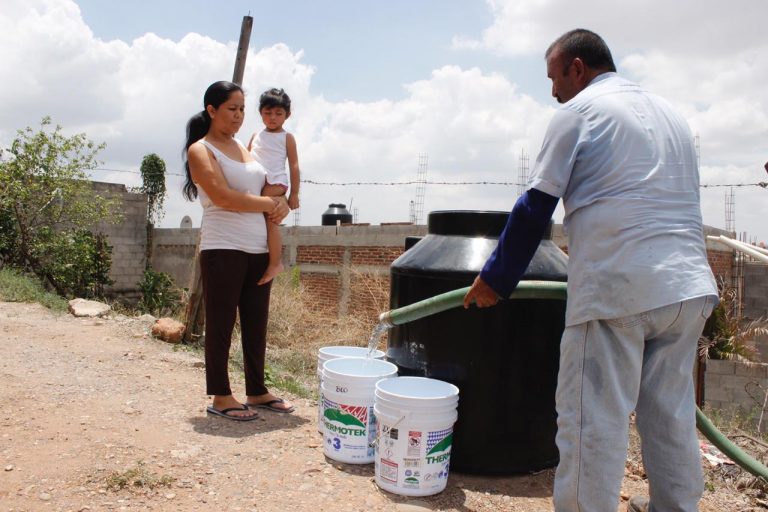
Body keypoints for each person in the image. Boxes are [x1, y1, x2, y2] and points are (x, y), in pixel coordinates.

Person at [463, 29, 717, 512]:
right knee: (671, 415)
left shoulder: (577, 113)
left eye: (555, 77)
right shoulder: (672, 115)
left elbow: (536, 205)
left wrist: (496, 278)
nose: (553, 90)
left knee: (591, 421)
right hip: (688, 288)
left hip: (616, 289)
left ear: (576, 68)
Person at [183, 80, 295, 420]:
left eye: (242, 109)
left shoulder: (246, 150)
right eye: (232, 109)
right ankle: (220, 395)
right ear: (212, 110)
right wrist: (271, 203)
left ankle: (257, 391)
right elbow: (222, 197)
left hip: (258, 247)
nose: (239, 115)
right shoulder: (201, 150)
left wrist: (281, 204)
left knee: (256, 322)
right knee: (221, 323)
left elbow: (267, 188)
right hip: (223, 247)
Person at [247, 88, 301, 285]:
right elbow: (245, 157)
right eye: (268, 113)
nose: (272, 118)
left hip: (274, 182)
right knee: (256, 219)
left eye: (278, 113)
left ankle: (275, 263)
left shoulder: (287, 137)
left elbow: (294, 165)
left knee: (271, 222)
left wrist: (294, 194)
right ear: (261, 112)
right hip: (256, 182)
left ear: (287, 115)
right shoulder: (256, 135)